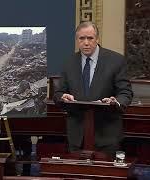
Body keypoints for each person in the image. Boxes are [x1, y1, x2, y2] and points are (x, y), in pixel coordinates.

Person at [54, 21, 133, 157]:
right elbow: (58, 93)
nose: (86, 43)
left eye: (90, 38)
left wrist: (115, 101)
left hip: (106, 133)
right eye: (82, 38)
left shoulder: (116, 61)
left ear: (97, 39)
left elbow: (125, 93)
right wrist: (62, 97)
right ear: (77, 40)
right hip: (77, 135)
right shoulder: (69, 62)